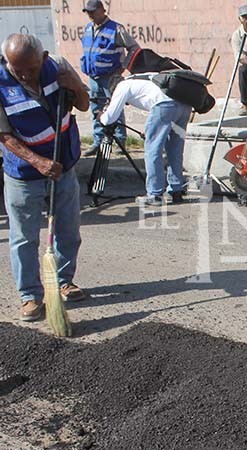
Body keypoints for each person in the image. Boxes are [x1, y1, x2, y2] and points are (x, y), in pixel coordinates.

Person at [0, 34, 90, 321]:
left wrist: (75, 85)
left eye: (32, 68)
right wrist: (38, 162)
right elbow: (4, 136)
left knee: (68, 229)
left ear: (44, 57)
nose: (26, 75)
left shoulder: (59, 66)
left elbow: (84, 105)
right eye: (18, 70)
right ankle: (30, 295)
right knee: (24, 238)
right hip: (24, 173)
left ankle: (64, 281)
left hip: (63, 164)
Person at [99, 78, 191, 206]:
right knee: (175, 150)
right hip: (184, 105)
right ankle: (176, 190)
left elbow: (110, 118)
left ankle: (155, 194)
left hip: (164, 105)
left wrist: (101, 117)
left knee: (153, 151)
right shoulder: (139, 82)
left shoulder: (122, 86)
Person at [80, 0, 139, 156]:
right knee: (96, 109)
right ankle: (98, 141)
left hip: (111, 77)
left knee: (115, 107)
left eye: (93, 12)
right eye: (88, 12)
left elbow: (134, 48)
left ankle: (120, 141)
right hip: (93, 77)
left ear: (102, 10)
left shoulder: (116, 29)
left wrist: (123, 67)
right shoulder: (88, 29)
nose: (90, 15)